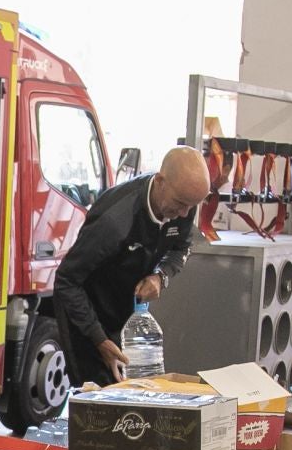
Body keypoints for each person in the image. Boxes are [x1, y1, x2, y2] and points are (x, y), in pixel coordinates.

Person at [53, 146, 211, 384]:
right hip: (85, 315)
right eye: (180, 203)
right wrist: (98, 339)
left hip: (128, 316)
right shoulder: (115, 221)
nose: (184, 213)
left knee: (135, 394)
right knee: (98, 402)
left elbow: (181, 248)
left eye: (192, 206)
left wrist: (160, 276)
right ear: (160, 181)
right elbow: (66, 280)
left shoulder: (184, 204)